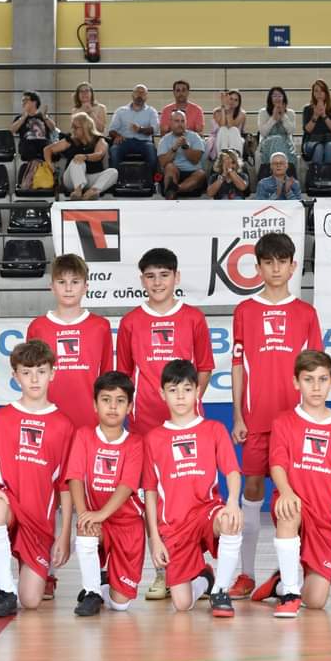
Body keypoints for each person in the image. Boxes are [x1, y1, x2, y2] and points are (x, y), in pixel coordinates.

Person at [228, 233, 323, 598]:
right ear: (258, 268)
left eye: (282, 261)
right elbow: (238, 365)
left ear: (293, 266)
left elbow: (315, 371)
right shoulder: (245, 311)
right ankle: (246, 574)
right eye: (268, 262)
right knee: (251, 492)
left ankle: (290, 575)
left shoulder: (305, 313)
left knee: (293, 498)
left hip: (295, 425)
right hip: (256, 420)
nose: (276, 268)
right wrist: (238, 415)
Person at [116, 248, 214, 601]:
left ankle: (199, 566)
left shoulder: (193, 318)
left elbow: (203, 367)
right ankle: (163, 571)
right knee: (153, 498)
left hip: (189, 428)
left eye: (164, 274)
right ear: (141, 280)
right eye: (150, 276)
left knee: (192, 496)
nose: (157, 282)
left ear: (177, 277)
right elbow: (125, 376)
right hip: (145, 424)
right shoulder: (130, 322)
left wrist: (187, 408)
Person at [253, 350, 331, 617]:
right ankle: (290, 591)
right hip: (296, 506)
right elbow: (277, 464)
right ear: (296, 383)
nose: (316, 387)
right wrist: (288, 492)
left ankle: (281, 581)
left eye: (322, 379)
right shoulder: (284, 422)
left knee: (315, 601)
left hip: (326, 518)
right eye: (308, 379)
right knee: (288, 508)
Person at [0, 340, 75, 617]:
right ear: (15, 376)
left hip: (38, 521)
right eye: (26, 372)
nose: (34, 379)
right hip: (9, 508)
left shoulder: (63, 425)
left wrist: (65, 533)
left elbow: (66, 487)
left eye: (41, 371)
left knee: (32, 601)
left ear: (52, 373)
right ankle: (5, 591)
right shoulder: (1, 418)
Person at [142, 359, 243, 617]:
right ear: (161, 393)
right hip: (173, 526)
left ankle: (220, 590)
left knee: (230, 520)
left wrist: (232, 501)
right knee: (182, 604)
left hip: (205, 512)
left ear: (197, 391)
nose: (180, 396)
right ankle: (206, 579)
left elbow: (231, 470)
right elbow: (150, 492)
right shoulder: (153, 439)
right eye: (173, 390)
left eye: (187, 389)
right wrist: (154, 537)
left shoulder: (213, 429)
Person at [67, 371, 146, 616]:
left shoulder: (135, 442)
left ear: (130, 406)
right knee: (85, 527)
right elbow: (75, 478)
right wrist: (84, 514)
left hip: (127, 525)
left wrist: (100, 514)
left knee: (120, 606)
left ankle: (103, 581)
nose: (112, 407)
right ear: (94, 404)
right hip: (98, 522)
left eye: (120, 401)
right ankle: (91, 591)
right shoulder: (83, 436)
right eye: (106, 400)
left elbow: (126, 486)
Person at [26, 254, 114, 432]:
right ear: (52, 287)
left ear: (85, 287)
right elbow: (29, 379)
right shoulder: (38, 327)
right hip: (48, 419)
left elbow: (107, 378)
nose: (68, 288)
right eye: (61, 282)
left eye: (75, 282)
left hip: (90, 420)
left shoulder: (100, 326)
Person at [45, 112, 117, 201]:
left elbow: (99, 154)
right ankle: (77, 191)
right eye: (72, 127)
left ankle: (92, 191)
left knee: (113, 172)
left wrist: (85, 156)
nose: (73, 130)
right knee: (77, 160)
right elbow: (47, 150)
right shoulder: (70, 140)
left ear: (85, 128)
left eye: (75, 127)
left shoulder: (99, 140)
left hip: (91, 178)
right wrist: (50, 165)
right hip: (71, 180)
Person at [157, 110, 206, 199]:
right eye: (177, 121)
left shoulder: (195, 137)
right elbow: (162, 163)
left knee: (201, 173)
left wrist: (186, 147)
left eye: (182, 121)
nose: (180, 124)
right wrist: (174, 148)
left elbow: (195, 160)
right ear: (170, 123)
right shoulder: (164, 140)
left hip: (192, 173)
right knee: (169, 166)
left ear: (186, 123)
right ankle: (172, 192)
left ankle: (174, 189)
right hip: (174, 173)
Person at [107, 84, 159, 166]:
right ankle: (116, 178)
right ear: (132, 95)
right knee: (114, 150)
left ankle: (152, 178)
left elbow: (155, 129)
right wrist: (117, 136)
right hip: (124, 141)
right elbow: (111, 130)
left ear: (146, 97)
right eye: (137, 92)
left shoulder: (151, 111)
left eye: (142, 93)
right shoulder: (121, 111)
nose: (139, 95)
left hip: (144, 142)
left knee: (152, 153)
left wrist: (140, 129)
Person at [302, 79, 331, 164]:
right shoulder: (307, 109)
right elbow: (307, 130)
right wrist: (315, 115)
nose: (319, 94)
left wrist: (324, 115)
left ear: (326, 93)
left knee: (330, 147)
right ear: (313, 93)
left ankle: (327, 175)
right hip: (312, 141)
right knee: (319, 147)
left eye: (322, 91)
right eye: (316, 91)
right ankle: (317, 175)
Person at [256, 86, 297, 168]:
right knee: (276, 139)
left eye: (279, 96)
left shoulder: (290, 113)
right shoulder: (263, 113)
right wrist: (273, 118)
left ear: (284, 98)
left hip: (286, 144)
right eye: (274, 96)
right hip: (267, 144)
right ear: (270, 99)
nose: (277, 98)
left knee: (279, 140)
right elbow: (263, 133)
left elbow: (291, 131)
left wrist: (283, 116)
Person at [11, 91, 57, 162]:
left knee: (48, 148)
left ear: (34, 102)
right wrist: (23, 118)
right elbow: (12, 130)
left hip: (43, 144)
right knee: (28, 146)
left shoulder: (43, 116)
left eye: (26, 100)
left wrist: (45, 117)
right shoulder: (20, 117)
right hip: (28, 145)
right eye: (22, 100)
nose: (23, 102)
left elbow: (53, 128)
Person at [207, 90, 246, 161]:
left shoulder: (242, 114)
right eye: (231, 99)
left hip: (235, 140)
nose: (232, 102)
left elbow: (231, 126)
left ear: (239, 103)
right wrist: (223, 109)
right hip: (219, 138)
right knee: (223, 130)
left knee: (233, 130)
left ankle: (235, 159)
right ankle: (222, 160)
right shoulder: (217, 111)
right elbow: (222, 125)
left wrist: (228, 110)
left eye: (236, 100)